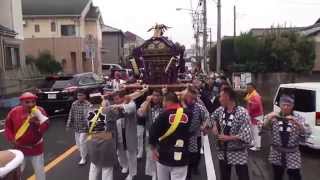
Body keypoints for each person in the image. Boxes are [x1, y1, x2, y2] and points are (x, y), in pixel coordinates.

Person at [263, 95, 311, 180]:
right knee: (277, 175)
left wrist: (297, 123)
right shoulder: (273, 116)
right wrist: (269, 119)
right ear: (280, 105)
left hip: (292, 153)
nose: (285, 107)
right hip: (276, 152)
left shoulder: (299, 118)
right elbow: (262, 128)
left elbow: (307, 132)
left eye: (288, 105)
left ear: (292, 106)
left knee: (295, 176)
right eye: (283, 104)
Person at [210, 87, 253, 180]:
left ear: (227, 97)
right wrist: (214, 125)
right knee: (224, 177)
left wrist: (228, 138)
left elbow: (246, 134)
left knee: (243, 177)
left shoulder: (242, 113)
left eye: (221, 96)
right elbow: (212, 116)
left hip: (238, 151)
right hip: (223, 151)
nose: (219, 99)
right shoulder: (220, 110)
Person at [4, 92, 49, 180]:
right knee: (17, 171)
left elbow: (46, 127)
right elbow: (8, 126)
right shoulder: (14, 112)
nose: (31, 104)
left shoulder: (40, 110)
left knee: (39, 170)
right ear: (21, 102)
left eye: (33, 102)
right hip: (19, 148)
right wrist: (11, 139)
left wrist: (37, 122)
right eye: (27, 102)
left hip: (36, 148)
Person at [149, 92, 192, 180]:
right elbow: (194, 130)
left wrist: (153, 149)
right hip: (182, 156)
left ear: (166, 101)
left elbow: (152, 133)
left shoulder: (163, 115)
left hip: (164, 155)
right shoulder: (189, 114)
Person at [86, 95, 118, 180]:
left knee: (94, 166)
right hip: (106, 142)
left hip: (92, 140)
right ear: (101, 101)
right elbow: (117, 115)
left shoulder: (87, 111)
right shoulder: (108, 111)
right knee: (107, 168)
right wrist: (107, 105)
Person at [183, 87, 210, 180]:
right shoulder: (180, 105)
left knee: (192, 157)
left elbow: (207, 116)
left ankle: (190, 174)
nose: (192, 100)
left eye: (194, 98)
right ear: (186, 96)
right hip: (180, 137)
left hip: (194, 135)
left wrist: (204, 125)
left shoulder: (198, 106)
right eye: (190, 98)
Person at [137, 89, 163, 180]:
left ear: (161, 96)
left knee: (161, 155)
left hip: (162, 136)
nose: (155, 97)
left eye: (157, 95)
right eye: (154, 95)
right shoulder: (148, 106)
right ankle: (153, 174)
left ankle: (160, 174)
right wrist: (147, 101)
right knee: (150, 155)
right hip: (150, 135)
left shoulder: (164, 105)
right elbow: (140, 113)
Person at [112, 91, 138, 180]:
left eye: (117, 99)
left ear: (122, 98)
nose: (116, 101)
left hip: (128, 132)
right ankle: (125, 165)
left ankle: (132, 173)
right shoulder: (115, 107)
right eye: (114, 100)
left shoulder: (131, 104)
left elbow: (131, 108)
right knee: (120, 152)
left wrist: (118, 106)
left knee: (131, 154)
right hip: (118, 133)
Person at [66, 90, 91, 165]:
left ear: (84, 96)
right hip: (76, 126)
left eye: (81, 95)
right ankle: (84, 152)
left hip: (84, 127)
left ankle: (83, 158)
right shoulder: (74, 104)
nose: (79, 97)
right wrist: (68, 124)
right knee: (78, 144)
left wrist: (90, 126)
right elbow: (71, 114)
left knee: (81, 141)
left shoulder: (88, 104)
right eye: (78, 95)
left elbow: (90, 116)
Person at [244, 83, 264, 151]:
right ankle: (254, 143)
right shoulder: (250, 94)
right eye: (247, 87)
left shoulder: (255, 96)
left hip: (257, 116)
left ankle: (257, 146)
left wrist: (249, 111)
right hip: (253, 116)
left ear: (252, 88)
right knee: (252, 130)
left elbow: (256, 106)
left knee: (256, 131)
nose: (247, 89)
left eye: (248, 87)